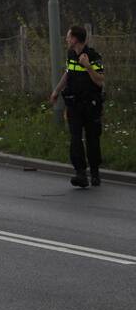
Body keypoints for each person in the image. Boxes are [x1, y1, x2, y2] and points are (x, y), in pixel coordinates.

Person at [50, 25, 105, 188]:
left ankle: (95, 173)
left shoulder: (93, 56)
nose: (66, 39)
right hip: (74, 104)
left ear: (74, 39)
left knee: (92, 139)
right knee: (75, 139)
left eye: (68, 37)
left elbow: (100, 81)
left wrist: (87, 66)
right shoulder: (70, 54)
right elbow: (68, 74)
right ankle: (80, 173)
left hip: (91, 105)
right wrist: (56, 91)